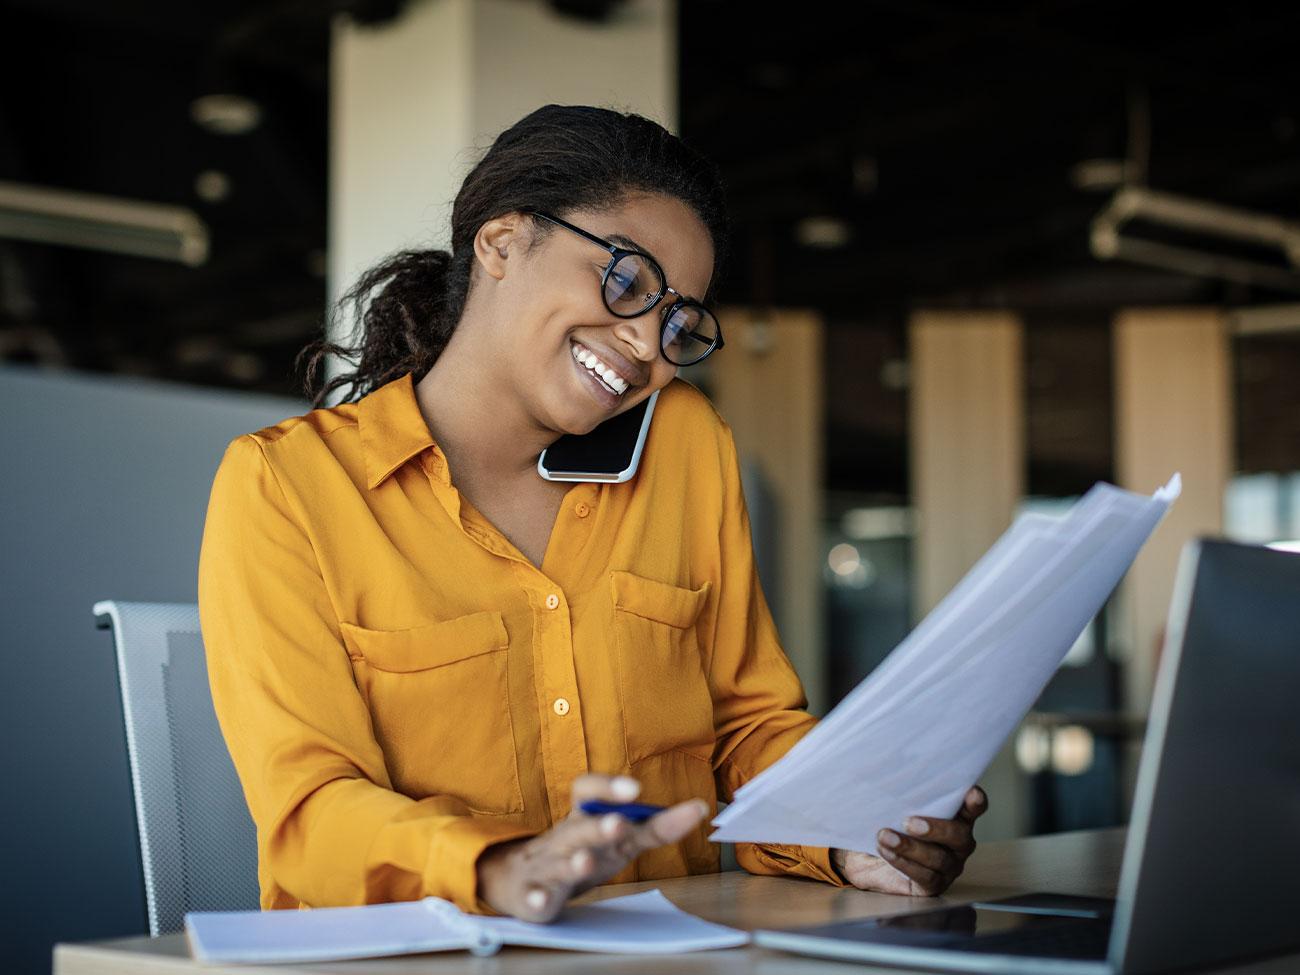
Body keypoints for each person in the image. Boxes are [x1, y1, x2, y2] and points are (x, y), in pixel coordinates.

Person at [197, 103, 988, 925]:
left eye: (677, 318)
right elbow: (308, 807)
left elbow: (747, 727)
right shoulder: (288, 484)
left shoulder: (684, 444)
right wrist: (498, 867)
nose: (649, 343)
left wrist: (848, 828)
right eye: (627, 280)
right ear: (502, 242)